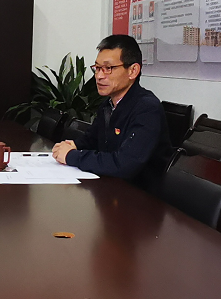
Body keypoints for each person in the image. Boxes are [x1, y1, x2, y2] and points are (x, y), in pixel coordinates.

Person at [51, 35, 172, 190]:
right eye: (97, 68)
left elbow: (124, 164)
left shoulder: (147, 109)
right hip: (110, 188)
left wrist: (71, 156)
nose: (99, 76)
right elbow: (92, 140)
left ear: (133, 71)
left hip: (140, 196)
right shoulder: (108, 104)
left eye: (108, 68)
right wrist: (72, 145)